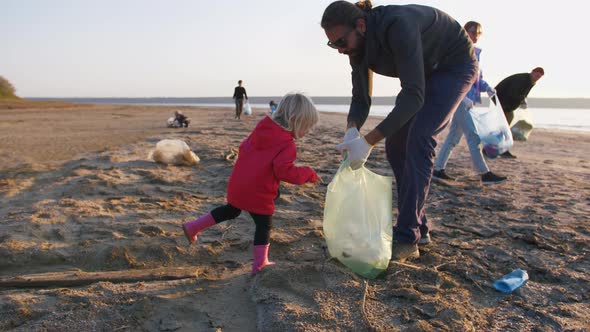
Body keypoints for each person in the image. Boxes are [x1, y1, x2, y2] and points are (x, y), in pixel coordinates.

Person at [322, 1, 478, 261]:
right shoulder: (356, 48)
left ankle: (407, 236)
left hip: (455, 67)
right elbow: (361, 98)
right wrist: (352, 131)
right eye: (332, 45)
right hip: (427, 71)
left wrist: (368, 141)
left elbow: (413, 96)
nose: (339, 50)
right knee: (395, 143)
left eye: (340, 42)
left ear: (360, 25)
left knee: (420, 137)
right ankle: (419, 226)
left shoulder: (398, 25)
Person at [181, 93, 320, 274]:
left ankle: (193, 227)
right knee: (264, 224)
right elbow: (283, 171)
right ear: (295, 120)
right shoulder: (287, 145)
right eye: (306, 127)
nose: (307, 132)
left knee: (230, 210)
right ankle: (260, 263)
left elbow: (243, 149)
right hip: (257, 193)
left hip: (238, 185)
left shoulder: (261, 129)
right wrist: (308, 173)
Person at [432, 21, 508, 184]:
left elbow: (476, 78)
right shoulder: (458, 50)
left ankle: (438, 169)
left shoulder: (476, 53)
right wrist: (462, 96)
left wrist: (488, 88)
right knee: (473, 137)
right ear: (464, 31)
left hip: (468, 100)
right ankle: (484, 174)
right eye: (472, 32)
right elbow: (452, 74)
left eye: (478, 33)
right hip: (459, 98)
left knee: (453, 137)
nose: (475, 35)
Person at [494, 67, 545, 158]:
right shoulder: (523, 79)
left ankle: (500, 149)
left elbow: (521, 94)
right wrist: (521, 101)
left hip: (505, 103)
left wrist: (522, 101)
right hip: (501, 101)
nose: (537, 77)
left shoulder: (530, 81)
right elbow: (514, 92)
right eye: (536, 75)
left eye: (539, 77)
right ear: (532, 72)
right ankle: (499, 150)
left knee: (504, 126)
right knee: (504, 127)